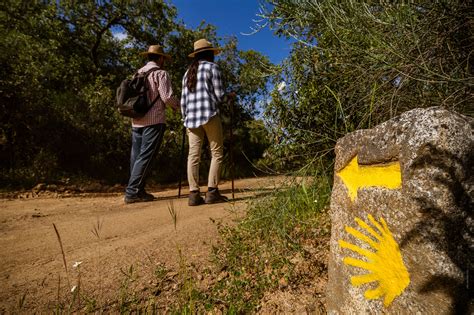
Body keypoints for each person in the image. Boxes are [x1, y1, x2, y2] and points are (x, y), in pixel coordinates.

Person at [180, 39, 234, 206]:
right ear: (210, 53)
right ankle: (212, 191)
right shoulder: (213, 68)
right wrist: (229, 97)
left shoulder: (188, 72)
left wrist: (184, 118)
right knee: (217, 153)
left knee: (193, 156)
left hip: (191, 118)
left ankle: (193, 193)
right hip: (209, 115)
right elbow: (219, 95)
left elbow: (183, 100)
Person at [124, 44, 179, 204]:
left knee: (136, 156)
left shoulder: (138, 72)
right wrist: (179, 106)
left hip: (136, 119)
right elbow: (167, 97)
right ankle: (132, 192)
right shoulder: (161, 73)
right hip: (154, 120)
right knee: (146, 156)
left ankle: (138, 190)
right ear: (161, 58)